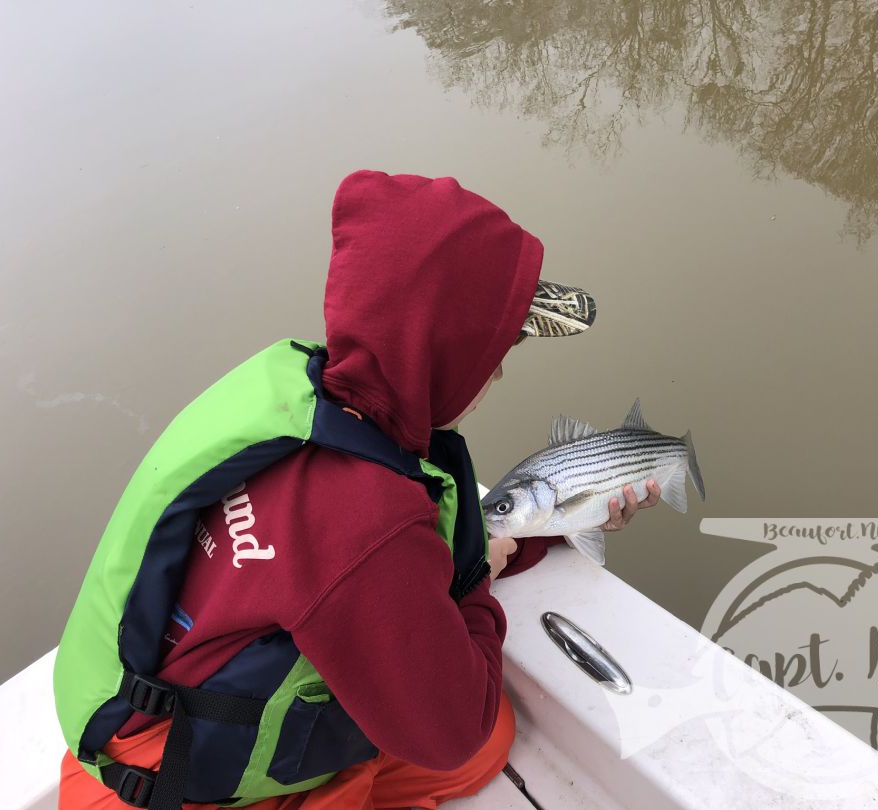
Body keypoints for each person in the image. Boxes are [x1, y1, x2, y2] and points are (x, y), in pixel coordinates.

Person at [57, 170, 660, 809]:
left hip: (125, 724)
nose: (503, 368)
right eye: (499, 344)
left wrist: (548, 529)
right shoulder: (366, 522)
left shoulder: (304, 396)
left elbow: (379, 561)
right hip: (169, 783)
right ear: (444, 349)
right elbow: (456, 727)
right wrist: (474, 583)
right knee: (483, 737)